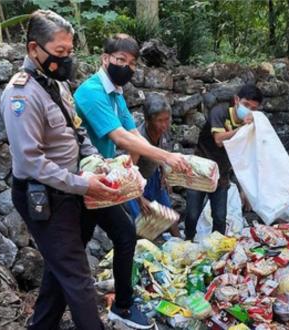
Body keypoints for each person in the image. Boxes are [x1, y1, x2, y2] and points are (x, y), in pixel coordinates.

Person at [0, 10, 115, 330]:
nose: (66, 59)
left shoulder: (56, 84)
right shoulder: (20, 96)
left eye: (70, 51)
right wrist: (82, 183)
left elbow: (77, 133)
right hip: (45, 197)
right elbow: (30, 162)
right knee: (78, 277)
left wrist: (95, 162)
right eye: (59, 52)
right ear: (33, 49)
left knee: (59, 269)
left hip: (72, 189)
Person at [74, 34, 189, 329]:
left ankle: (117, 305)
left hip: (104, 182)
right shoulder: (91, 92)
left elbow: (133, 134)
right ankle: (114, 307)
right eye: (120, 61)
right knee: (107, 240)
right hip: (85, 180)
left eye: (131, 63)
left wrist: (158, 157)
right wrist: (164, 156)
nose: (126, 67)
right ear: (105, 59)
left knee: (104, 239)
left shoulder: (116, 93)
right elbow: (119, 136)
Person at [184, 84, 263, 241]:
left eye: (253, 109)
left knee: (220, 217)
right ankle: (188, 242)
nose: (249, 111)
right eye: (246, 105)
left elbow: (244, 157)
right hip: (201, 170)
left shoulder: (249, 126)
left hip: (222, 173)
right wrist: (242, 129)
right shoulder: (219, 112)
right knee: (192, 214)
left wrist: (243, 188)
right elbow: (219, 140)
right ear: (236, 100)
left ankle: (217, 249)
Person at [127, 93, 180, 236]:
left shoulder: (164, 132)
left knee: (170, 216)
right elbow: (128, 173)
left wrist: (164, 172)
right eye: (159, 120)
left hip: (153, 178)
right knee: (142, 224)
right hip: (135, 184)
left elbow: (162, 154)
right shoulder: (138, 139)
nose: (164, 125)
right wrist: (139, 198)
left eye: (167, 119)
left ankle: (184, 247)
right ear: (148, 120)